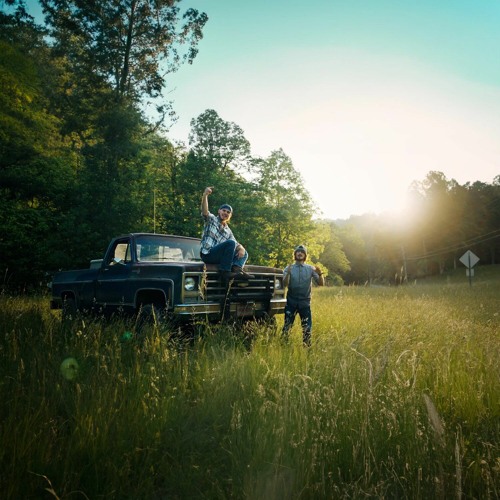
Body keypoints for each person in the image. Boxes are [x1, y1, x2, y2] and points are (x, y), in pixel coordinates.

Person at [200, 186, 253, 281]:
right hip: (208, 254)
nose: (225, 213)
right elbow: (205, 211)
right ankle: (225, 272)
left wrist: (241, 248)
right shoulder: (212, 220)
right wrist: (205, 195)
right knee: (230, 243)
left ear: (230, 216)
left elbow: (236, 244)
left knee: (244, 253)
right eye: (224, 210)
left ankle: (237, 269)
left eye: (228, 212)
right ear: (219, 211)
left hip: (219, 257)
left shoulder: (228, 230)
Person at [282, 245, 324, 346]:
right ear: (295, 254)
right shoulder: (289, 268)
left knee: (307, 328)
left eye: (302, 252)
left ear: (305, 255)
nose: (300, 253)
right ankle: (283, 346)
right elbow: (284, 284)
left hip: (305, 303)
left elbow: (321, 283)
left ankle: (307, 348)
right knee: (287, 327)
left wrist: (320, 274)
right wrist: (287, 273)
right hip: (291, 301)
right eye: (298, 252)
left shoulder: (310, 268)